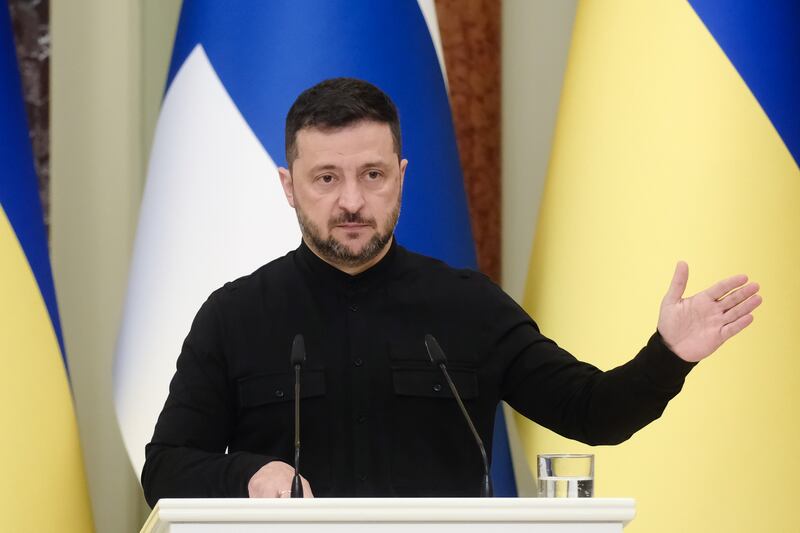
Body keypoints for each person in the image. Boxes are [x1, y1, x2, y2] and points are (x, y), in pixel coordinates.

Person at [141, 78, 761, 506]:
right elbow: (165, 468)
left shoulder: (469, 306)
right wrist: (248, 475)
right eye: (326, 178)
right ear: (288, 185)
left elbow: (593, 413)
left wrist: (668, 355)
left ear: (401, 176)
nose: (352, 201)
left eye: (372, 174)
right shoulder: (233, 315)